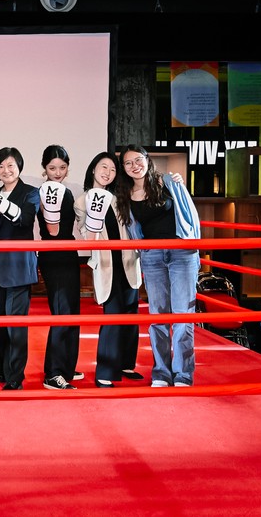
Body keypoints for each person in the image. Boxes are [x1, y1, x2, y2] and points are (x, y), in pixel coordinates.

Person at [113, 145, 200, 388]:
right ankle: (161, 372)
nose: (134, 166)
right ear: (124, 168)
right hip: (152, 256)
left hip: (182, 253)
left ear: (147, 160)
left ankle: (183, 374)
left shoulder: (169, 182)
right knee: (158, 317)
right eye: (128, 163)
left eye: (138, 160)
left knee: (183, 316)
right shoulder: (125, 194)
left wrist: (195, 246)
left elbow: (190, 216)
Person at [75, 151, 144, 388]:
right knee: (113, 316)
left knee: (130, 314)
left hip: (127, 261)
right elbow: (88, 238)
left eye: (113, 169)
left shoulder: (120, 197)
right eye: (103, 167)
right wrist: (94, 216)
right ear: (93, 169)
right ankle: (105, 370)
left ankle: (126, 363)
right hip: (106, 263)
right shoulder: (81, 201)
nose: (108, 172)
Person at [0, 147, 39, 391]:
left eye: (11, 165)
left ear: (19, 167)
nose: (6, 170)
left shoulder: (30, 193)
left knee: (15, 325)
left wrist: (4, 205)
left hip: (16, 266)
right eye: (1, 166)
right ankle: (2, 369)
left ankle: (15, 376)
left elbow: (25, 220)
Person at [36, 145, 81, 390]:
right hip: (53, 252)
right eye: (52, 168)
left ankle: (66, 367)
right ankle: (53, 372)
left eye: (62, 167)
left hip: (69, 251)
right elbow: (52, 230)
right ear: (44, 168)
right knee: (62, 311)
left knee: (73, 311)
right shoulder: (43, 192)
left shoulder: (67, 191)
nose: (57, 172)